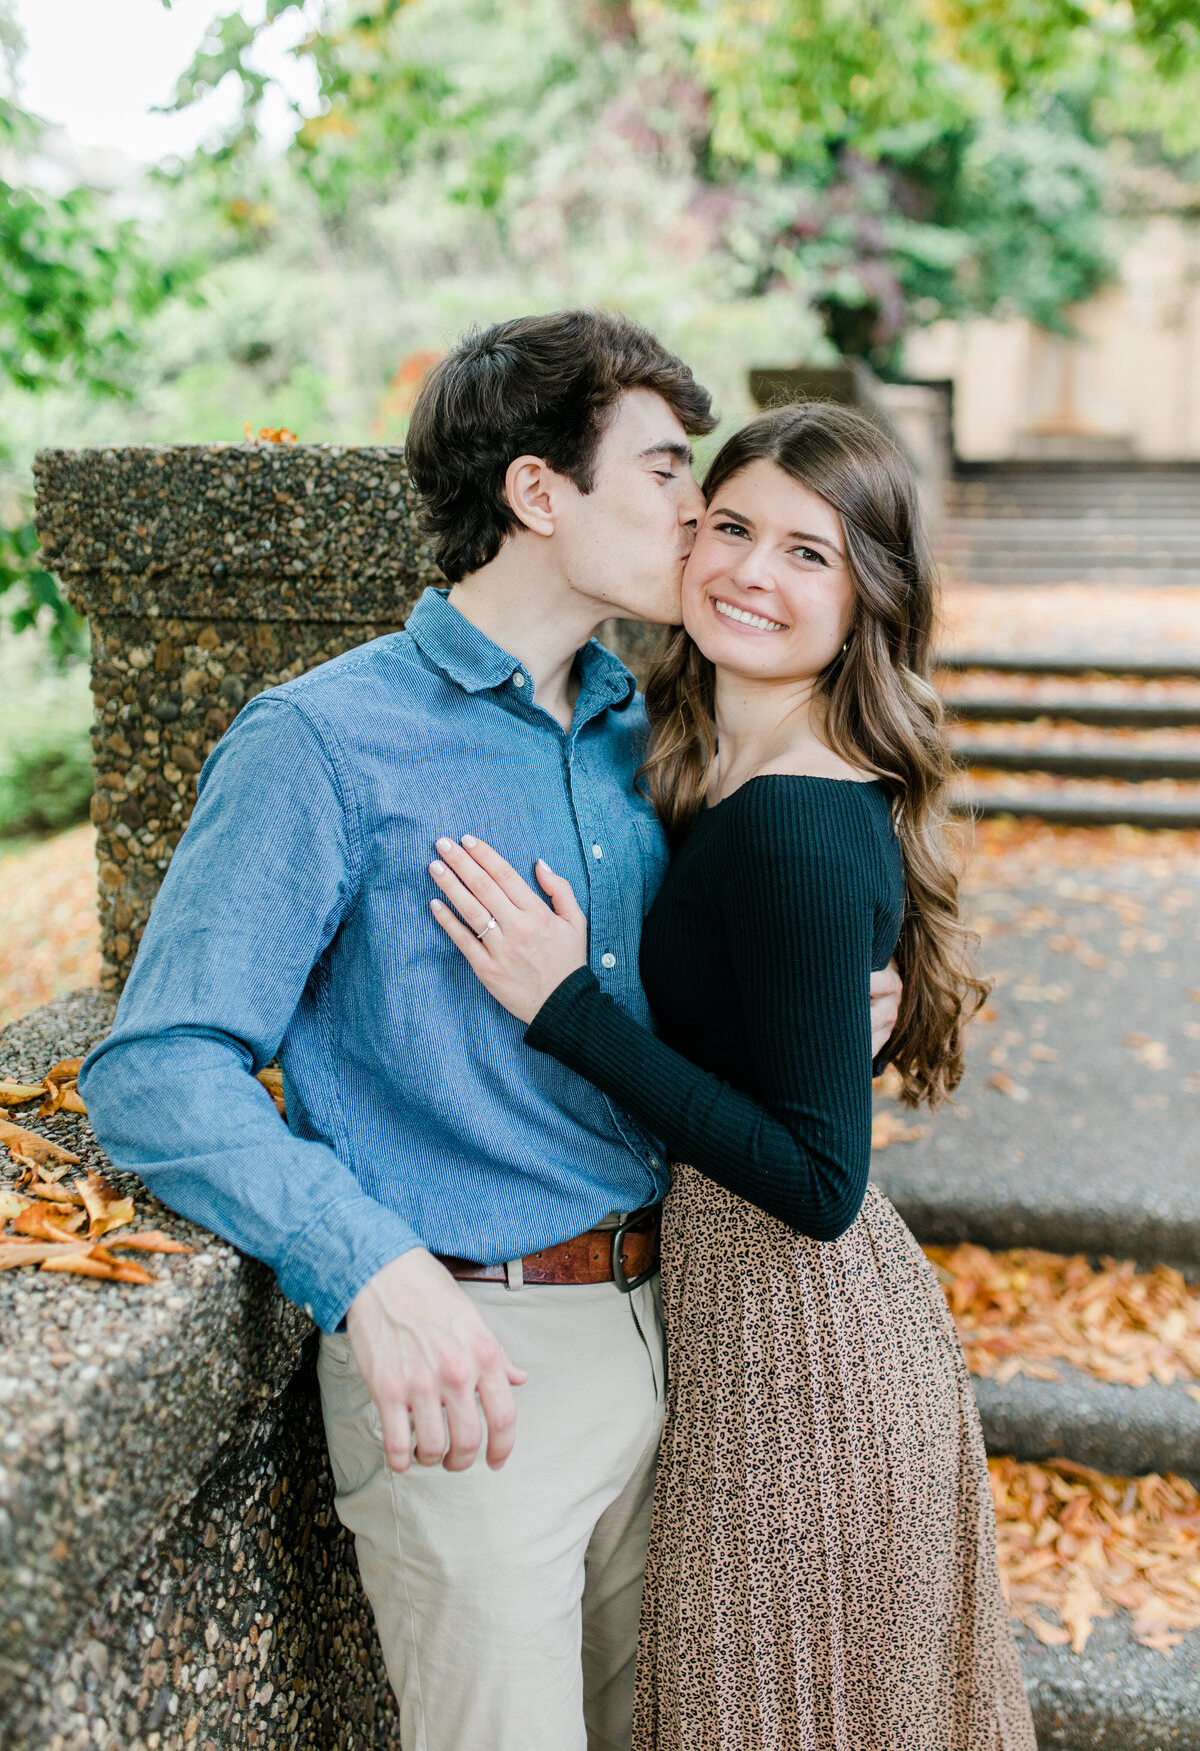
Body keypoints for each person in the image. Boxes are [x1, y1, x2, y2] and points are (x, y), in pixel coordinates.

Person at [79, 315, 903, 1751]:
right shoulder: (321, 741)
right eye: (663, 475)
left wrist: (845, 1023)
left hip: (688, 1340)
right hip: (479, 1366)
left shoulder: (647, 735)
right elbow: (157, 1068)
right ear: (538, 493)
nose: (698, 521)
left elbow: (740, 974)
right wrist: (370, 1271)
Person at [427, 402, 1037, 1750]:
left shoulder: (801, 825)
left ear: (870, 595)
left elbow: (819, 1181)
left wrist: (565, 1009)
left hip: (802, 1342)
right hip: (736, 1316)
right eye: (733, 527)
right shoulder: (708, 767)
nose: (754, 571)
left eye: (809, 554)